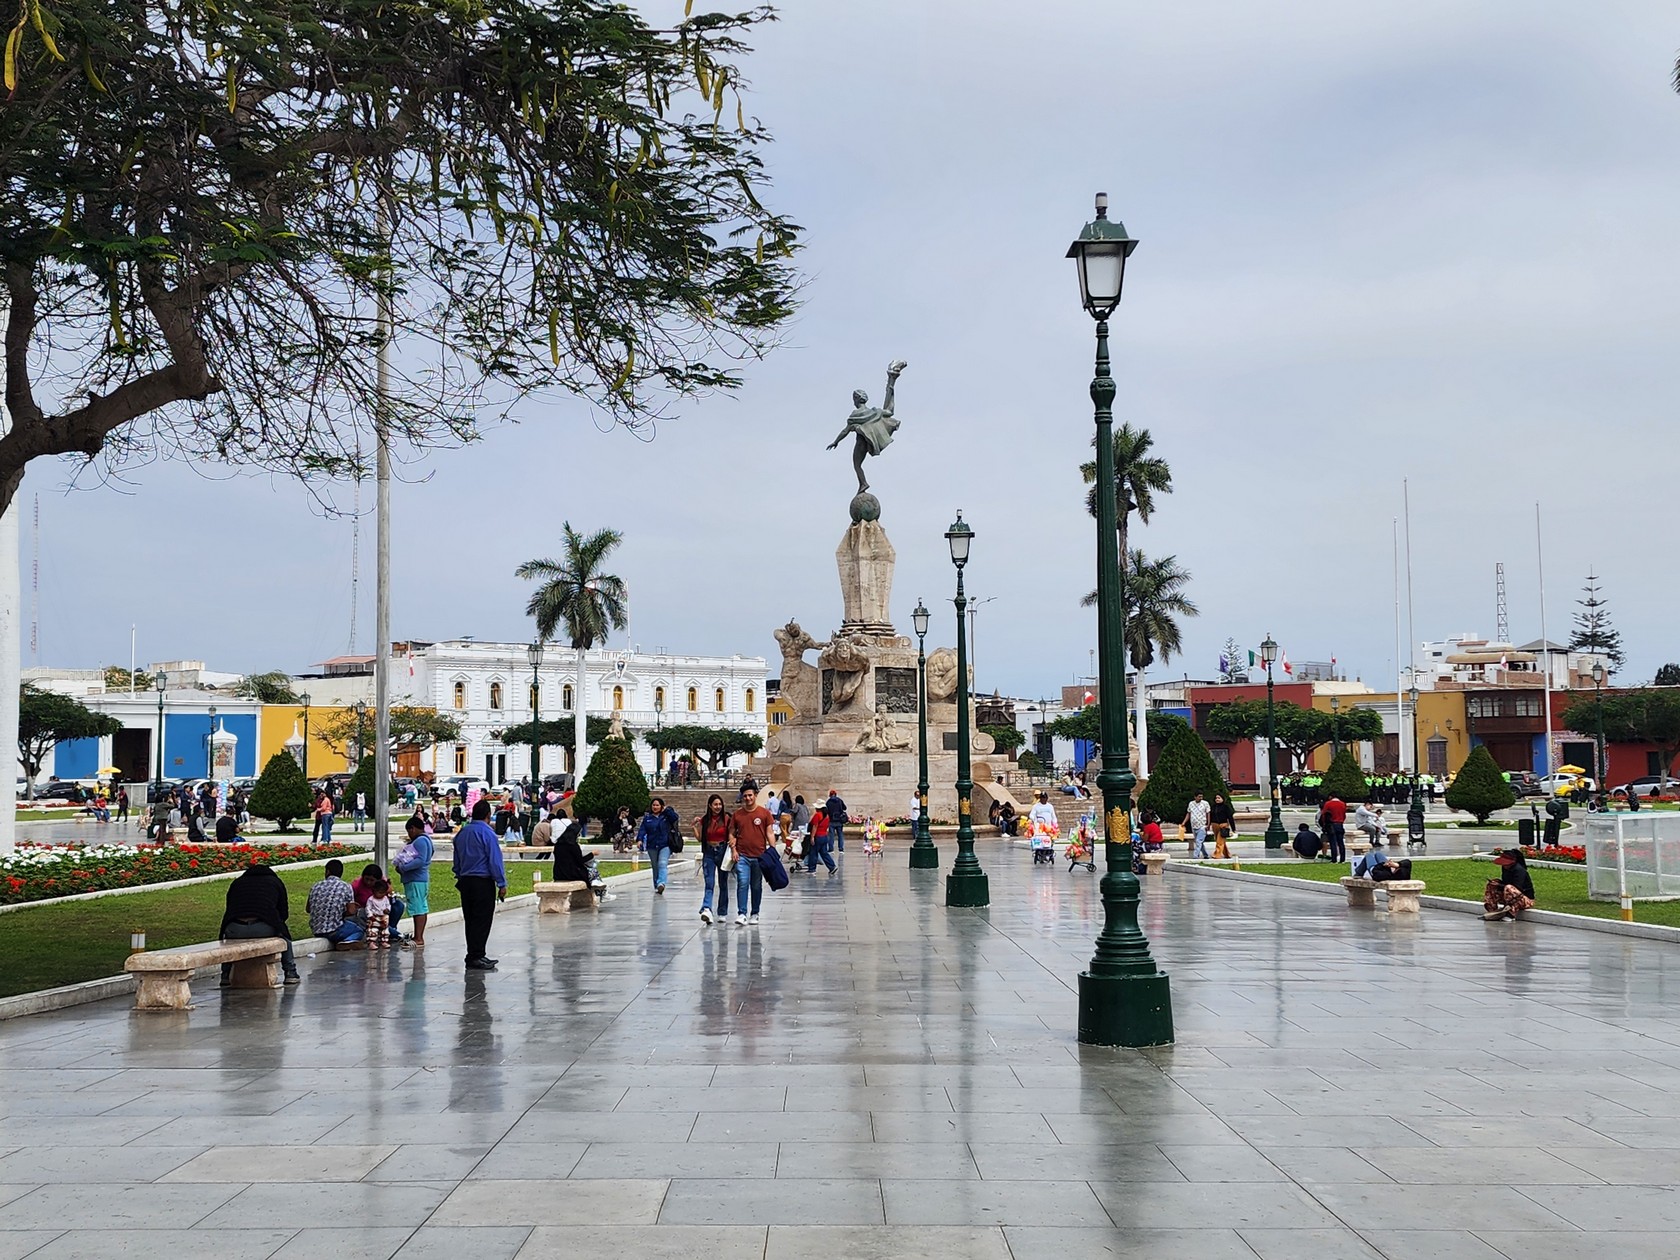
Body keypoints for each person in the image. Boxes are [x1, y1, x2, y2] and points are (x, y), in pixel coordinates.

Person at [219, 862, 301, 985]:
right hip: (263, 927)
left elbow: (230, 907)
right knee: (285, 939)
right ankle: (290, 972)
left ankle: (225, 975)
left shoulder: (237, 883)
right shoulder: (275, 882)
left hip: (234, 929)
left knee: (227, 944)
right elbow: (283, 913)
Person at [452, 798, 507, 969]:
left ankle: (475, 954)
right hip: (482, 882)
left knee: (470, 919)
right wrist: (501, 883)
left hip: (466, 881)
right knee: (482, 920)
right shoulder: (487, 833)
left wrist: (460, 874)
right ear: (488, 816)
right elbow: (494, 860)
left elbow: (457, 860)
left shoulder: (462, 833)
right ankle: (477, 955)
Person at [728, 785, 775, 925]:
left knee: (756, 885)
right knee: (742, 883)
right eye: (745, 796)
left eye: (750, 795)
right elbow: (731, 833)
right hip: (742, 856)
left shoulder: (764, 813)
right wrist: (733, 849)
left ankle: (755, 913)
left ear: (755, 795)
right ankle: (742, 913)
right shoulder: (737, 815)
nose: (748, 798)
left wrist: (772, 850)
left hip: (759, 856)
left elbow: (770, 832)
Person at [552, 811, 612, 903]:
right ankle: (602, 894)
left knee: (591, 872)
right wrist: (592, 854)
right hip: (570, 873)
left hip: (558, 872)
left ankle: (602, 892)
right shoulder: (573, 845)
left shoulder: (558, 844)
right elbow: (580, 861)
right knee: (593, 871)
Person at [393, 814, 435, 946]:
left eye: (409, 831)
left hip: (416, 879)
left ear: (413, 829)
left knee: (418, 908)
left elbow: (420, 860)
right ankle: (418, 936)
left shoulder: (420, 841)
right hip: (419, 879)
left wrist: (403, 868)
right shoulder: (426, 840)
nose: (409, 834)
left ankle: (418, 937)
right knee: (420, 907)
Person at [306, 859, 364, 948]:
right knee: (359, 931)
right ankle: (347, 941)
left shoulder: (315, 886)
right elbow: (351, 911)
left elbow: (308, 909)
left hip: (316, 930)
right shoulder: (346, 887)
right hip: (334, 930)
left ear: (328, 871)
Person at [695, 794, 733, 922]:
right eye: (715, 804)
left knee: (723, 883)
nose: (718, 807)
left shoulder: (727, 819)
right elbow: (700, 838)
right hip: (709, 852)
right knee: (709, 882)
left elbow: (732, 834)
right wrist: (695, 827)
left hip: (722, 851)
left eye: (720, 804)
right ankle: (707, 908)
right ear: (710, 806)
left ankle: (722, 912)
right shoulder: (705, 820)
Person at [353, 863, 406, 943]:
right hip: (367, 913)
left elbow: (390, 893)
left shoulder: (383, 883)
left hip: (382, 911)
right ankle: (396, 934)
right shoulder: (356, 885)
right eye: (366, 879)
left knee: (398, 905)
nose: (368, 882)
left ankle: (391, 930)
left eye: (372, 880)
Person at [637, 796, 677, 894]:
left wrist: (667, 810)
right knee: (655, 866)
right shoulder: (647, 818)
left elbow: (675, 818)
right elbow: (642, 829)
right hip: (652, 845)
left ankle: (661, 883)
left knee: (662, 863)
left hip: (665, 844)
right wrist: (639, 839)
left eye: (657, 805)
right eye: (653, 805)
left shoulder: (666, 817)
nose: (655, 807)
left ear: (661, 806)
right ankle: (656, 885)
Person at [1483, 848, 1536, 921]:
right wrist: (1496, 884)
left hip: (1524, 900)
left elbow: (1517, 888)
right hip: (1508, 895)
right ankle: (1492, 911)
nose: (1504, 866)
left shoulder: (1519, 870)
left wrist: (1500, 885)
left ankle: (1511, 914)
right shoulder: (1505, 868)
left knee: (1509, 888)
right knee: (1491, 885)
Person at [362, 876, 394, 948]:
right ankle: (371, 942)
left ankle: (384, 941)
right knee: (373, 930)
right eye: (379, 893)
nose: (381, 895)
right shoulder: (371, 899)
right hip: (374, 917)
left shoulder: (385, 898)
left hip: (383, 916)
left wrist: (387, 909)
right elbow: (368, 908)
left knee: (384, 930)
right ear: (374, 891)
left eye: (383, 893)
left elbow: (388, 905)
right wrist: (370, 915)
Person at [1319, 794, 1347, 864]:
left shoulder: (1328, 804)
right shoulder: (1343, 804)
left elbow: (1323, 815)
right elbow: (1344, 815)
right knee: (1341, 843)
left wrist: (1324, 824)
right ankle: (1342, 859)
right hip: (1340, 824)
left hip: (1331, 825)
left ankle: (1334, 859)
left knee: (1333, 843)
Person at [807, 801, 834, 874]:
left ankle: (812, 869)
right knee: (824, 853)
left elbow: (814, 826)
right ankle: (832, 866)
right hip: (824, 836)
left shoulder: (817, 815)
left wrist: (812, 837)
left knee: (813, 853)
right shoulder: (827, 816)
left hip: (818, 836)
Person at [1183, 792, 1211, 859]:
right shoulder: (1191, 804)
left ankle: (1196, 856)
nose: (1200, 798)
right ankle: (1205, 855)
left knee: (1198, 841)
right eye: (1199, 796)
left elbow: (1208, 814)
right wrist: (1184, 822)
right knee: (1199, 842)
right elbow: (1189, 813)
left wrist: (1208, 824)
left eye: (1201, 796)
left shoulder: (1205, 803)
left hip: (1202, 825)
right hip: (1194, 825)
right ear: (1195, 797)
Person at [1208, 794, 1235, 859]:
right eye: (1216, 798)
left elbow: (1230, 817)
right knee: (1220, 841)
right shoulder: (1213, 807)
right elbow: (1210, 816)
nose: (1217, 799)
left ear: (1222, 799)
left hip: (1223, 825)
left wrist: (1233, 828)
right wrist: (1209, 825)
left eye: (1219, 798)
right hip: (1215, 825)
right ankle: (1227, 854)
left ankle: (1217, 854)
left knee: (1219, 841)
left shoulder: (1226, 807)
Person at [824, 788, 848, 853]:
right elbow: (845, 808)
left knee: (831, 836)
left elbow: (826, 811)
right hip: (839, 821)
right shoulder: (840, 800)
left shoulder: (828, 802)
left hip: (831, 821)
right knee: (840, 835)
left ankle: (831, 849)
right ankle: (841, 849)